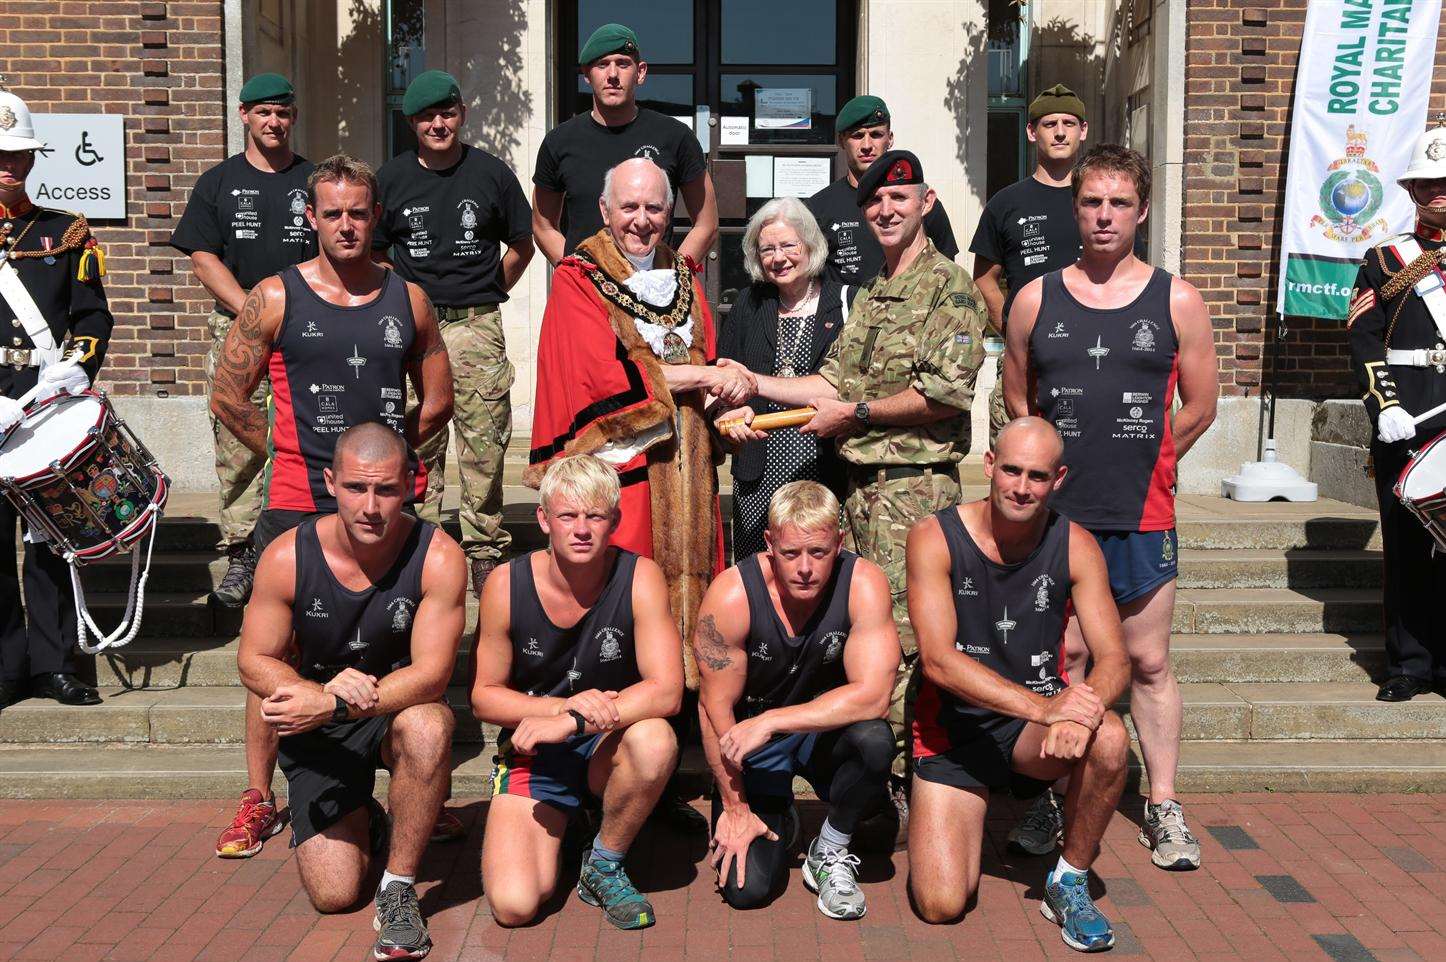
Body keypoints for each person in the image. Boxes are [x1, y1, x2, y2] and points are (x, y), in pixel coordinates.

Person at [721, 149, 987, 837]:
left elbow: (944, 392)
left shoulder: (948, 288)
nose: (886, 210)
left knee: (905, 640)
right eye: (874, 202)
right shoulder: (872, 293)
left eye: (900, 198)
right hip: (859, 494)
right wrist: (751, 383)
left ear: (926, 203)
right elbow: (828, 387)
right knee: (869, 640)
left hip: (912, 492)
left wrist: (860, 417)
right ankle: (873, 785)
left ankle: (903, 784)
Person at [209, 153, 455, 860]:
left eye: (358, 213)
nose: (346, 225)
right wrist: (288, 449)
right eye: (333, 213)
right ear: (310, 218)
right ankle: (259, 797)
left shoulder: (406, 298)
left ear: (376, 217)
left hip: (384, 504)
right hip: (296, 499)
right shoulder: (275, 296)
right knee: (275, 655)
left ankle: (416, 790)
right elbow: (229, 394)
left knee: (404, 645)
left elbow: (436, 395)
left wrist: (402, 461)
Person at [1002, 144, 1218, 871]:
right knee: (1064, 658)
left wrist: (1154, 459)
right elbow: (1015, 398)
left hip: (1142, 513)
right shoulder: (1034, 297)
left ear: (1142, 211)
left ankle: (1163, 805)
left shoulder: (1176, 298)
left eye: (1119, 203)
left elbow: (1203, 403)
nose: (1103, 215)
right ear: (1075, 208)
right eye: (1092, 202)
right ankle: (1059, 797)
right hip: (1059, 521)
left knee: (1149, 662)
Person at [236, 423, 467, 962]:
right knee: (335, 895)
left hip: (395, 708)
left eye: (386, 490)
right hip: (317, 717)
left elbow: (432, 675)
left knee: (432, 723)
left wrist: (337, 700)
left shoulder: (437, 556)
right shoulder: (287, 555)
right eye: (356, 488)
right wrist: (311, 694)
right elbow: (253, 659)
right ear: (329, 482)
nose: (370, 506)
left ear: (411, 484)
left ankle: (399, 888)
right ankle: (372, 815)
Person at [905, 417, 1130, 952]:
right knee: (941, 906)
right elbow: (938, 662)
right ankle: (983, 803)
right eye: (1010, 470)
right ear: (989, 465)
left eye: (1037, 475)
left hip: (1034, 736)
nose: (1021, 487)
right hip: (953, 732)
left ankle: (1068, 878)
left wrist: (1082, 710)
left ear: (1059, 479)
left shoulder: (1075, 544)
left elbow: (1116, 657)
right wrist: (1047, 709)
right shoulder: (934, 536)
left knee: (1113, 737)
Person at [528, 156, 740, 681]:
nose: (640, 220)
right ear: (604, 209)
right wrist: (701, 378)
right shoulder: (578, 278)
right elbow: (601, 375)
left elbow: (704, 355)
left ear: (671, 213)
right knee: (627, 588)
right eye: (629, 206)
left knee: (694, 581)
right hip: (626, 472)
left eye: (654, 207)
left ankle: (687, 691)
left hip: (690, 468)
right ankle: (635, 694)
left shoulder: (682, 275)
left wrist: (727, 396)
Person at [472, 454, 683, 930]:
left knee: (655, 738)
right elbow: (484, 696)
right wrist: (560, 707)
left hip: (607, 745)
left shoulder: (640, 576)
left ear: (615, 520)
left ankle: (603, 864)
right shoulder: (506, 583)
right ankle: (571, 826)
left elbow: (667, 691)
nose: (581, 529)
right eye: (568, 516)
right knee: (514, 905)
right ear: (544, 519)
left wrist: (573, 720)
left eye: (595, 516)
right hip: (534, 752)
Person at [695, 481, 898, 920]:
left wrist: (775, 719)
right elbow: (713, 711)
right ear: (769, 544)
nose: (805, 568)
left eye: (819, 553)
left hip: (821, 732)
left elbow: (875, 696)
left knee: (876, 744)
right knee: (747, 890)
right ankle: (780, 815)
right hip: (750, 745)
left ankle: (830, 847)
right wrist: (735, 808)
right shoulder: (731, 596)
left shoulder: (863, 582)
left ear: (839, 543)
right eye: (791, 554)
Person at [375, 70, 534, 597]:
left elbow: (521, 243)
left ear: (462, 114)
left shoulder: (490, 173)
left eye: (446, 113)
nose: (438, 124)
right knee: (418, 434)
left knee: (484, 438)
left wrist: (488, 290)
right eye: (426, 117)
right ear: (412, 123)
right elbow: (374, 251)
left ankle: (484, 548)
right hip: (413, 329)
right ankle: (417, 539)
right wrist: (403, 302)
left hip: (474, 324)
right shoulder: (391, 179)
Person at [170, 73, 317, 608]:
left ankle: (301, 544)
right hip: (236, 331)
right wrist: (250, 310)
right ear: (243, 116)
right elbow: (203, 256)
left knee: (305, 436)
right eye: (262, 112)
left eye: (282, 112)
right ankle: (241, 554)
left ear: (293, 117)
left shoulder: (315, 180)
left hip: (309, 332)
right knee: (237, 442)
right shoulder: (218, 182)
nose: (273, 121)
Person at [0, 88, 113, 711]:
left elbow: (93, 318)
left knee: (51, 542)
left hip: (43, 405)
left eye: (18, 155)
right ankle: (6, 665)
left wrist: (66, 377)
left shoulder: (65, 231)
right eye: (0, 154)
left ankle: (55, 663)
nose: (9, 165)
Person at [1347, 122, 1446, 702]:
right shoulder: (1385, 260)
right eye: (1428, 183)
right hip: (1407, 421)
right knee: (1408, 547)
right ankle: (1408, 663)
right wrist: (1385, 405)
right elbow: (1364, 339)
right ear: (1411, 191)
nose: (1438, 193)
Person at [717, 198, 847, 558]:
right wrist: (724, 415)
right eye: (767, 249)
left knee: (817, 569)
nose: (779, 257)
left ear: (810, 244)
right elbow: (723, 377)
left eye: (789, 245)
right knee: (757, 575)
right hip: (759, 471)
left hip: (825, 468)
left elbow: (845, 386)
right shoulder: (748, 303)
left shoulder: (845, 302)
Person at [532, 22, 718, 265]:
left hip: (654, 292)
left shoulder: (674, 136)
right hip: (585, 292)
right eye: (601, 65)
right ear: (587, 75)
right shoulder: (559, 142)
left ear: (640, 72)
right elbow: (542, 225)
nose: (612, 75)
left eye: (622, 63)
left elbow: (707, 224)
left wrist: (673, 274)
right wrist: (576, 272)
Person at [970, 84, 1089, 447]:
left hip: (1093, 356)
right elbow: (984, 279)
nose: (1059, 131)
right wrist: (1012, 329)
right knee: (1018, 467)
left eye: (1069, 123)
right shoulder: (1007, 203)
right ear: (1031, 131)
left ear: (1083, 131)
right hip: (1026, 364)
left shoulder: (1101, 200)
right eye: (1049, 123)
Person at [805, 96, 958, 290]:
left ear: (890, 138)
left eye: (876, 134)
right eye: (857, 135)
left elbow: (948, 272)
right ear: (841, 141)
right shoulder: (818, 208)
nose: (867, 145)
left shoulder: (919, 204)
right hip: (846, 318)